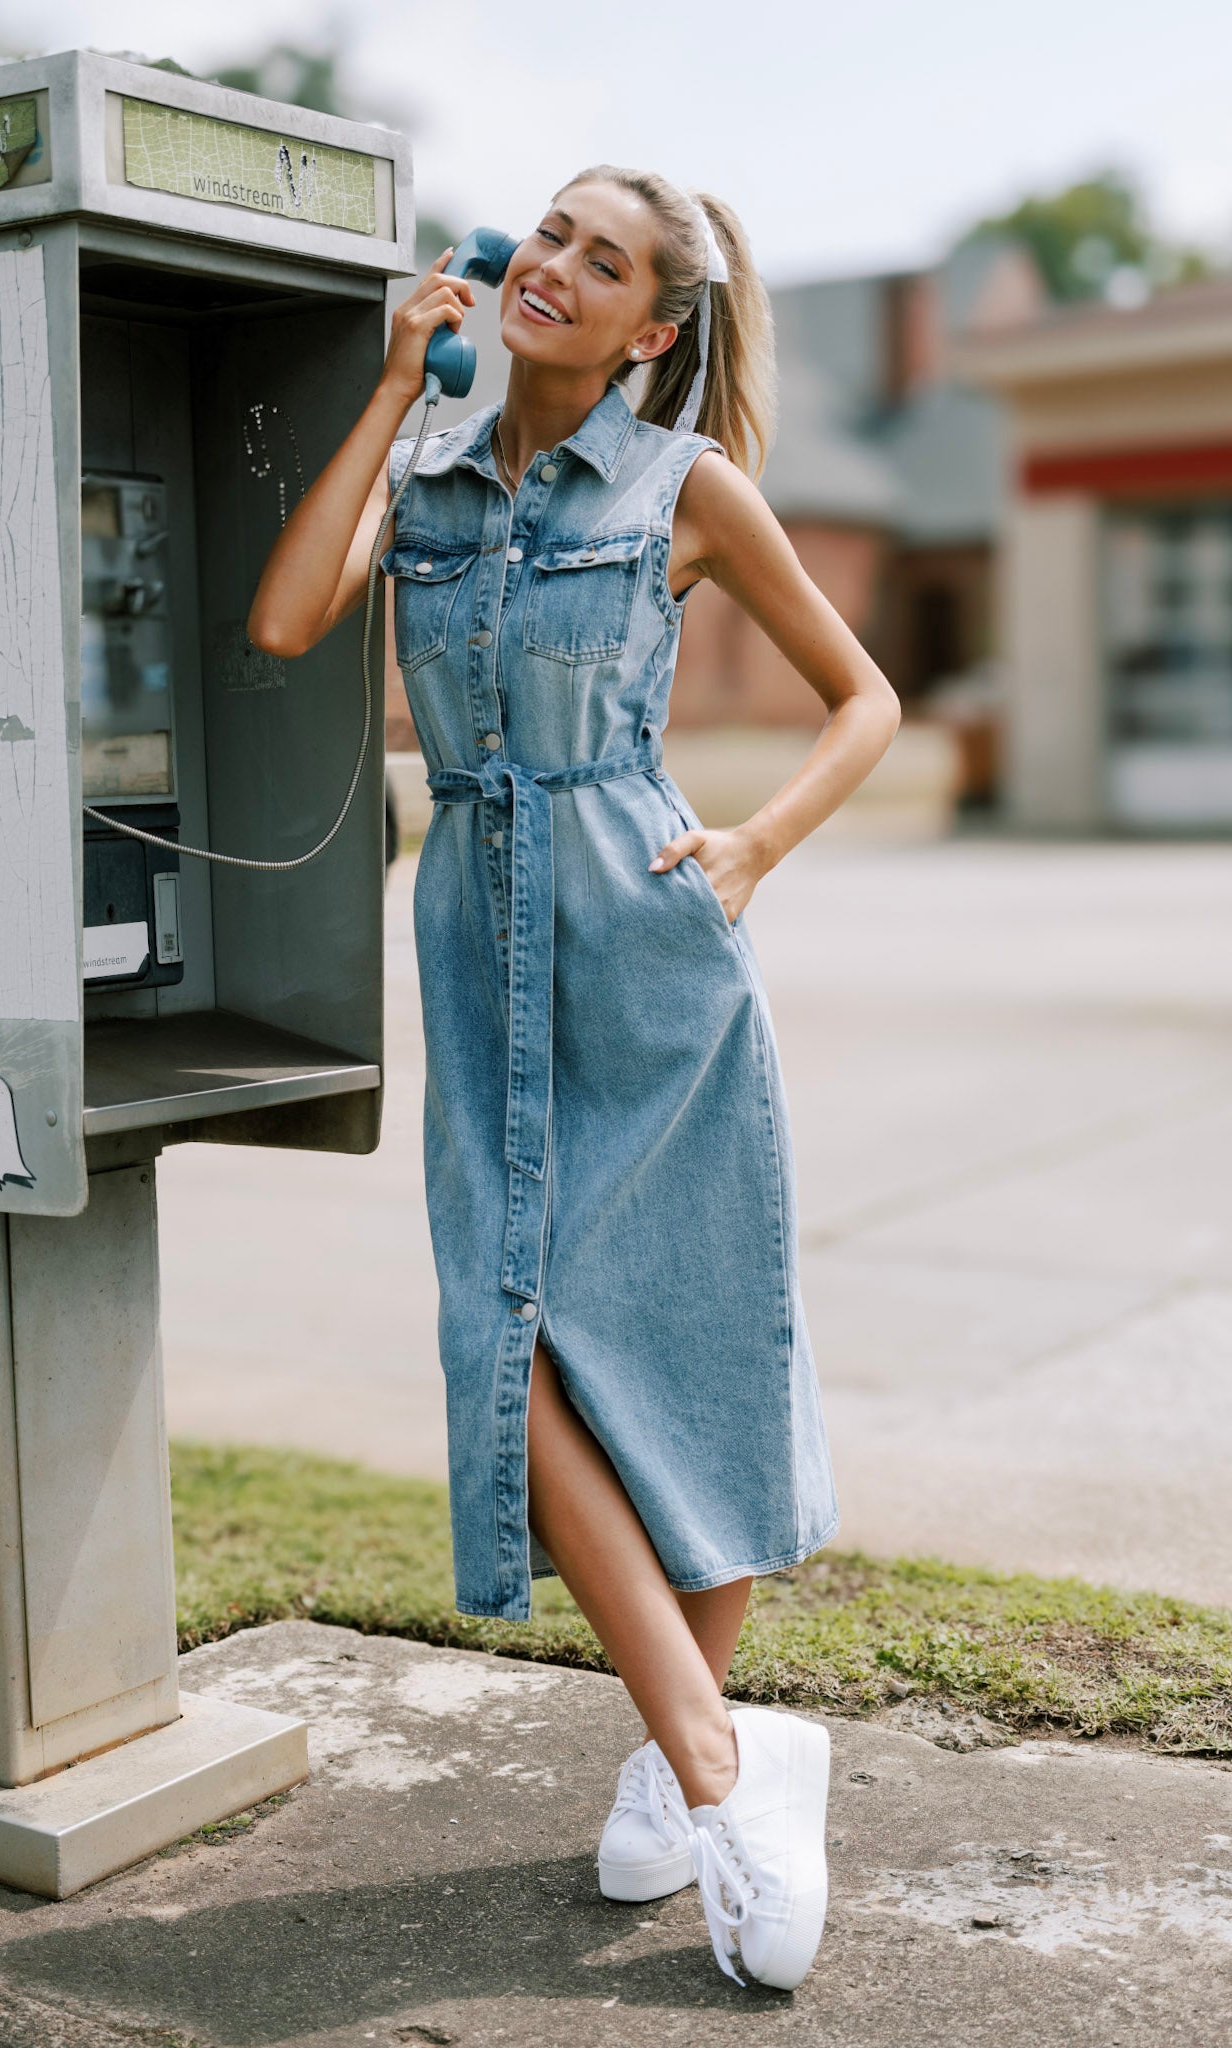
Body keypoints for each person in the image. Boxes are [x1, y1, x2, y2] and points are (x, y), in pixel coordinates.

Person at [248, 166, 900, 1993]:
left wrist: (758, 845)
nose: (551, 268)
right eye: (546, 236)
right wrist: (392, 385)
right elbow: (290, 623)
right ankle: (723, 1751)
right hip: (475, 931)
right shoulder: (431, 470)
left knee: (689, 1345)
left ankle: (678, 1744)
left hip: (646, 942)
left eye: (600, 262)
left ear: (653, 328)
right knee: (503, 1336)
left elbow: (864, 696)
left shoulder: (689, 490)